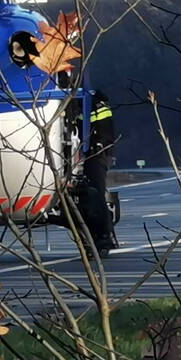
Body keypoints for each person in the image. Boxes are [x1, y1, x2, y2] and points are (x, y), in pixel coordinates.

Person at [76, 89, 117, 253]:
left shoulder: (92, 99)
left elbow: (103, 128)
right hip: (88, 152)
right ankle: (99, 234)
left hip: (96, 153)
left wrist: (97, 145)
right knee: (92, 193)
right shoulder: (86, 98)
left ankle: (104, 236)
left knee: (95, 193)